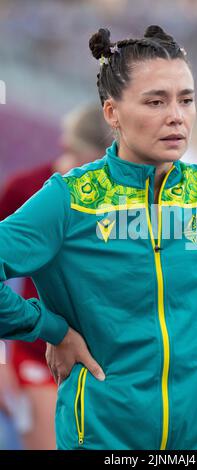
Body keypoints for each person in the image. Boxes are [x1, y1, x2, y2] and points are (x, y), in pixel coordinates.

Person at [0, 25, 197, 450]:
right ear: (112, 113)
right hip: (101, 441)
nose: (176, 115)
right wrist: (50, 328)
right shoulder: (69, 200)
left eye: (186, 100)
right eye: (156, 101)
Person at [0, 103, 112, 449]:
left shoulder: (135, 198)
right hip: (38, 357)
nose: (66, 165)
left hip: (115, 364)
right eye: (68, 152)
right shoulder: (27, 189)